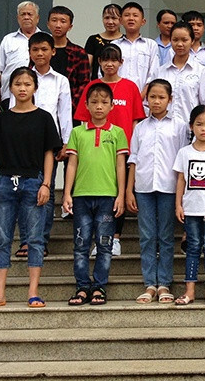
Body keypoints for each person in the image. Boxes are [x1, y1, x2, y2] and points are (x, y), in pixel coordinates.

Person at [0, 67, 61, 308]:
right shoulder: (1, 119)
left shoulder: (44, 117)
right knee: (2, 237)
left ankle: (33, 292)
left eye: (27, 84)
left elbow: (49, 153)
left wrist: (46, 183)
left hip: (33, 182)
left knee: (35, 239)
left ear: (35, 87)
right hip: (4, 181)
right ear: (10, 87)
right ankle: (0, 293)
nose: (22, 88)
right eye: (18, 84)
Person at [73, 44, 145, 257]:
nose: (109, 64)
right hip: (96, 149)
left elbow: (135, 120)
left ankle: (115, 237)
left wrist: (133, 147)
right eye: (105, 60)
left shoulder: (130, 87)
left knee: (118, 190)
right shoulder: (92, 86)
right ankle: (97, 238)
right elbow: (82, 119)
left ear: (121, 63)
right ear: (99, 63)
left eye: (114, 60)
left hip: (122, 147)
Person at [62, 83, 129, 306]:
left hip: (108, 197)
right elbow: (71, 164)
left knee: (104, 243)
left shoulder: (118, 133)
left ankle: (99, 286)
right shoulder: (77, 132)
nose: (99, 106)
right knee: (81, 244)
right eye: (94, 102)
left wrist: (120, 194)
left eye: (104, 102)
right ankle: (82, 286)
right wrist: (67, 194)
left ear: (111, 106)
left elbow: (121, 166)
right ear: (87, 105)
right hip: (81, 196)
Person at [125, 79, 189, 304]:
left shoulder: (180, 126)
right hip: (143, 187)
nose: (157, 101)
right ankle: (149, 284)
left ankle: (164, 283)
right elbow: (133, 159)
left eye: (162, 97)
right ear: (146, 99)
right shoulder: (140, 127)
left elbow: (183, 161)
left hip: (169, 187)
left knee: (165, 236)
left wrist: (181, 196)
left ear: (170, 100)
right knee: (147, 236)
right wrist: (128, 190)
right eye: (152, 97)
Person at [12, 32, 72, 258]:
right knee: (22, 191)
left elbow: (65, 113)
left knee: (45, 189)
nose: (40, 53)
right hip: (22, 143)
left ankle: (40, 240)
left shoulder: (60, 80)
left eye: (44, 49)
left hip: (49, 142)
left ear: (53, 51)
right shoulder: (21, 78)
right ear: (29, 52)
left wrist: (65, 142)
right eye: (35, 50)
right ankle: (25, 239)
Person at [173, 104, 205, 306]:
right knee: (193, 247)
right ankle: (190, 290)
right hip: (191, 208)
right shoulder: (184, 153)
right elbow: (181, 180)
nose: (203, 129)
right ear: (191, 126)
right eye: (199, 124)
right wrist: (178, 205)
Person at [155, 21, 205, 124]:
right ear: (170, 41)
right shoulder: (160, 72)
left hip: (190, 129)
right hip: (164, 130)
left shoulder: (201, 72)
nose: (179, 44)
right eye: (175, 40)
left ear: (192, 41)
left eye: (184, 40)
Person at [45, 5, 91, 117]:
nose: (58, 25)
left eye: (63, 21)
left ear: (70, 26)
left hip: (70, 110)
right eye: (54, 20)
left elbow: (83, 84)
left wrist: (68, 105)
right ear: (48, 24)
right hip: (43, 107)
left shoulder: (79, 53)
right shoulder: (41, 50)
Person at [0, 1, 42, 100]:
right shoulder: (8, 40)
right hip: (10, 95)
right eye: (23, 14)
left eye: (30, 14)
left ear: (37, 18)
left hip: (39, 95)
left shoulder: (46, 39)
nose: (26, 17)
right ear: (18, 18)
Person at [115, 2, 160, 92]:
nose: (131, 18)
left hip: (143, 100)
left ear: (143, 21)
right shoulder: (114, 45)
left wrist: (142, 95)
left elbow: (154, 73)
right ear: (120, 21)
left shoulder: (151, 45)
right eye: (127, 15)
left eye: (135, 15)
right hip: (118, 98)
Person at [84, 3, 123, 80]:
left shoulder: (125, 40)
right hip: (97, 86)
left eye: (114, 18)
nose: (110, 22)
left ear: (121, 20)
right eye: (107, 18)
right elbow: (86, 67)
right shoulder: (93, 40)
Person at [182, 10, 205, 80]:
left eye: (199, 25)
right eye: (192, 25)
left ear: (203, 28)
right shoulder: (175, 51)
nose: (196, 28)